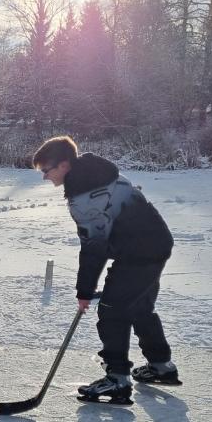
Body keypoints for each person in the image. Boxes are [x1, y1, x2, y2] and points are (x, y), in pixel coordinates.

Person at [32, 136, 180, 405]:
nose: (44, 177)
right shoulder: (97, 173)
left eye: (46, 170)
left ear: (64, 165)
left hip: (139, 253)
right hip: (156, 244)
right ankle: (161, 366)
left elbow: (94, 248)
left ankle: (117, 379)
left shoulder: (85, 197)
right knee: (138, 307)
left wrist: (84, 291)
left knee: (112, 311)